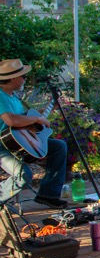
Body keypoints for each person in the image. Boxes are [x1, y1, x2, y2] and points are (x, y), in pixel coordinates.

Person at [0, 59, 69, 208]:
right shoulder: (0, 96)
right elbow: (11, 120)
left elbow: (23, 118)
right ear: (13, 78)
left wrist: (48, 109)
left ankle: (48, 194)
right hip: (3, 146)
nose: (25, 79)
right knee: (23, 175)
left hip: (18, 141)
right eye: (23, 76)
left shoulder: (13, 96)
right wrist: (37, 119)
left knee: (59, 147)